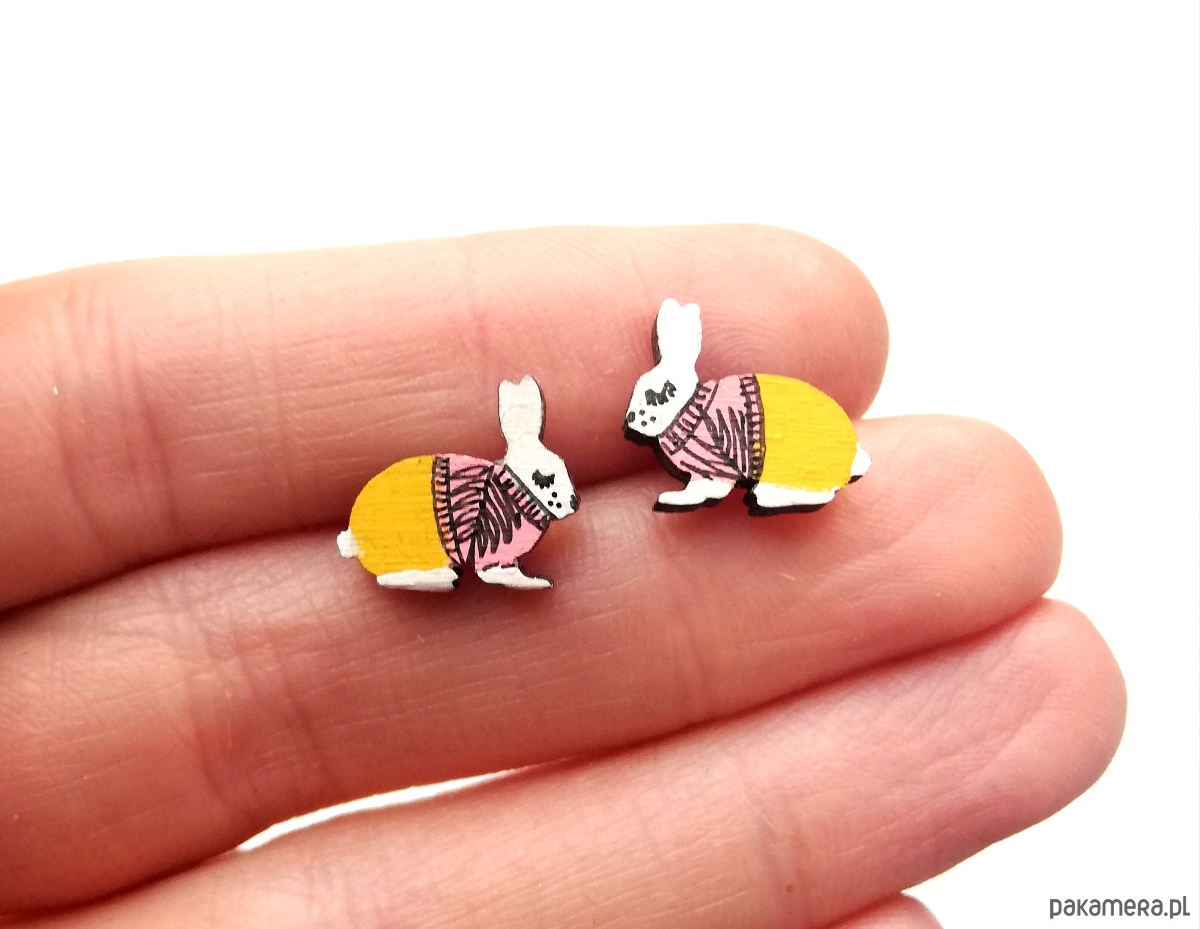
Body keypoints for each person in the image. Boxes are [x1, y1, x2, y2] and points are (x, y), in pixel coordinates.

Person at [0, 225, 1124, 928]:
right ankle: (411, 557)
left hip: (796, 463)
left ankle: (791, 483)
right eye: (551, 484)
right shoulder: (515, 496)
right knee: (416, 540)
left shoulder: (686, 431)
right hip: (402, 535)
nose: (577, 489)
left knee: (795, 468)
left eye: (652, 407)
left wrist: (709, 490)